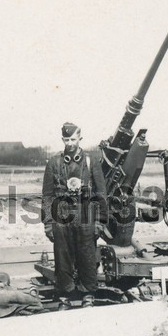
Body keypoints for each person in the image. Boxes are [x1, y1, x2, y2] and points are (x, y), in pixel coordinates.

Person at [42, 122, 108, 307]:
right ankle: (65, 296)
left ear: (80, 138)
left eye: (73, 139)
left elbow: (101, 193)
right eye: (66, 139)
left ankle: (88, 295)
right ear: (62, 139)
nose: (70, 143)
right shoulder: (54, 163)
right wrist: (48, 223)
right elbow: (47, 196)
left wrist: (100, 222)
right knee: (63, 257)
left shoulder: (91, 161)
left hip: (86, 215)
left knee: (87, 256)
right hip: (61, 216)